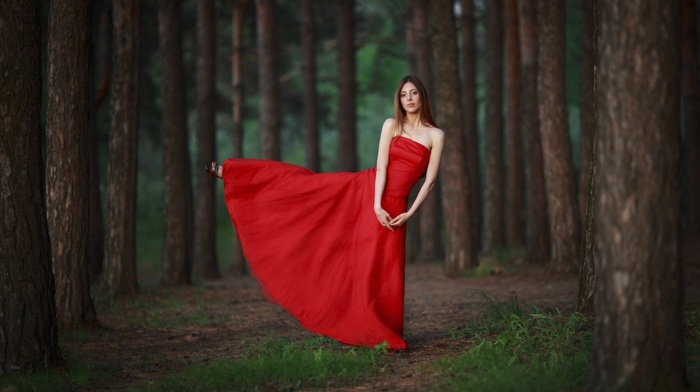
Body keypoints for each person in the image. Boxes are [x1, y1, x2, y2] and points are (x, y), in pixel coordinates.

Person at [206, 75, 444, 350]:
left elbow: (430, 181)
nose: (409, 99)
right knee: (306, 188)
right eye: (404, 95)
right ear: (399, 100)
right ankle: (236, 175)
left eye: (413, 93)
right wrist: (377, 205)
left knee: (382, 266)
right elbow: (381, 167)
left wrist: (410, 213)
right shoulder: (392, 125)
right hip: (367, 192)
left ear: (422, 97)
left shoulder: (435, 135)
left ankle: (381, 328)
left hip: (399, 208)